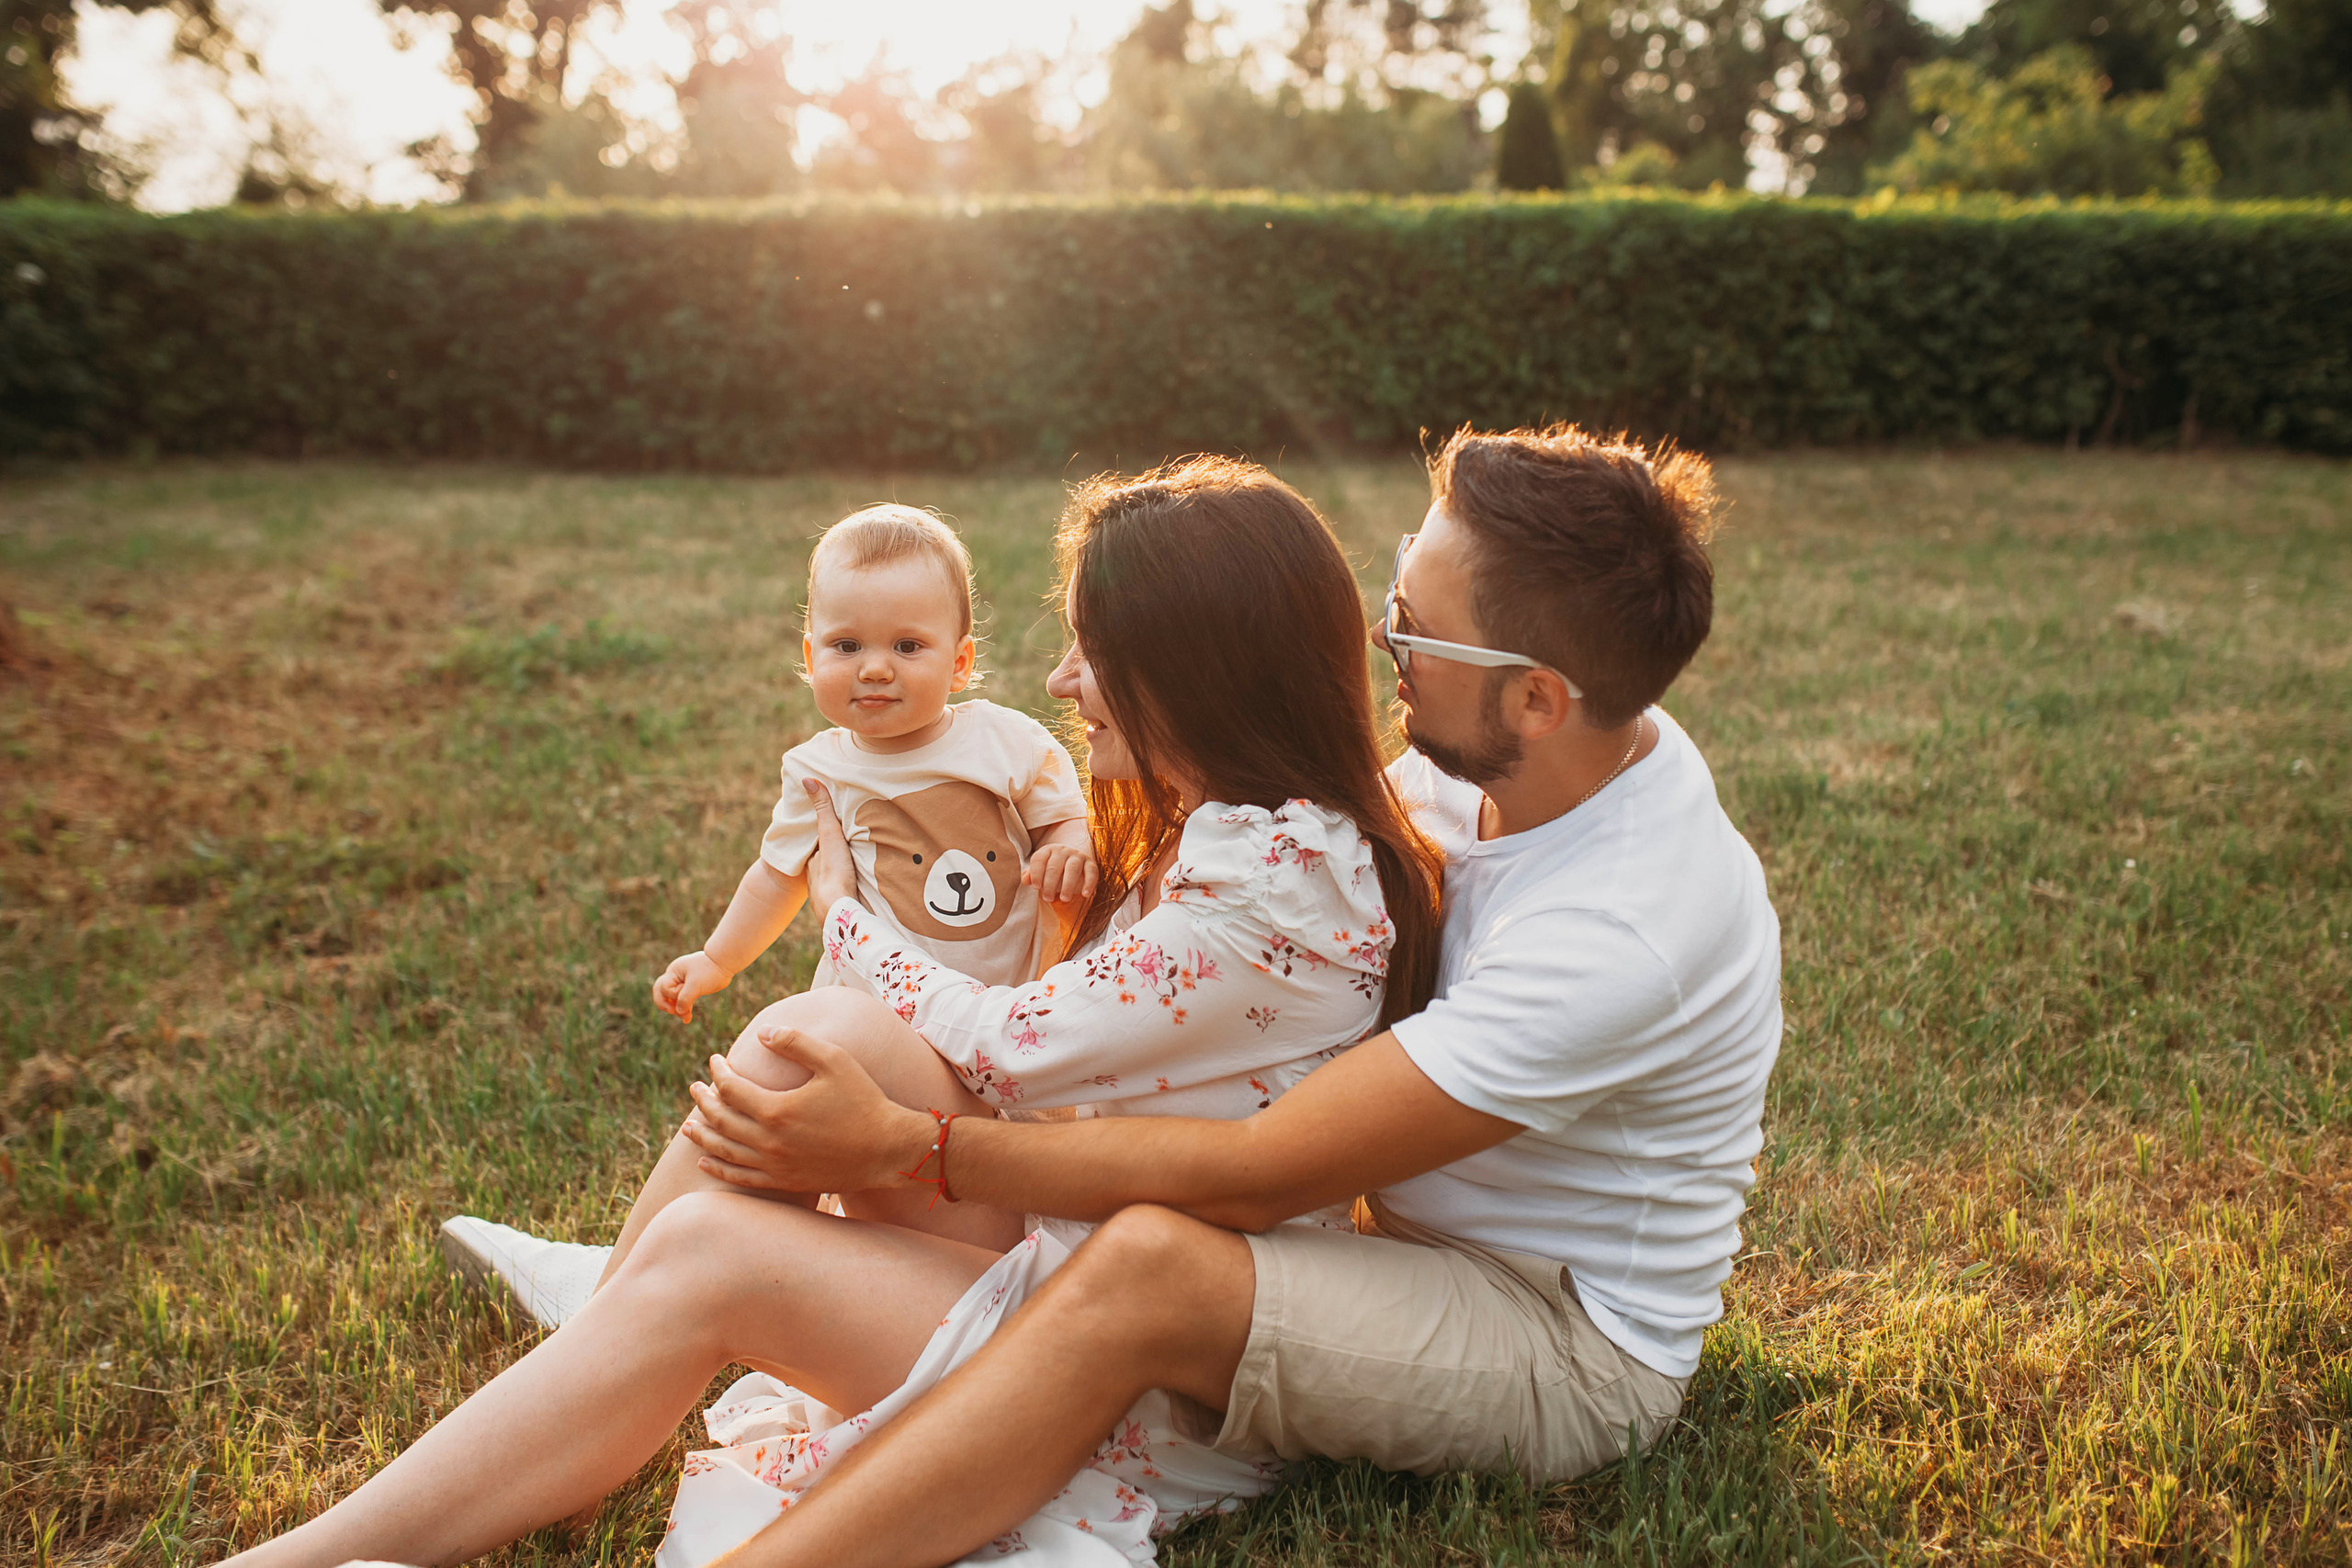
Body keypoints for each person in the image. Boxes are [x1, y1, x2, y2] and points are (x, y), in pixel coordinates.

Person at [219, 457, 1446, 1568]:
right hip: (1074, 1233)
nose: (1068, 681)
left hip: (1128, 1370)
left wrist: (847, 912)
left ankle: (315, 1549)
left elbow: (1012, 1044)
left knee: (713, 1244)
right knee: (815, 1039)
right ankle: (599, 1345)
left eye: (1092, 651)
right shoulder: (1239, 822)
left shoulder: (1274, 883)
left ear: (1199, 663)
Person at [643, 421, 1783, 1566]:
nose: (1382, 641)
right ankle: (637, 1287)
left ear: (1537, 700)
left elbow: (1256, 1173)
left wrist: (908, 1148)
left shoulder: (1622, 926)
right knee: (1041, 1187)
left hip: (1561, 1334)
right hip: (1394, 1247)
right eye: (1395, 589)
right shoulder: (1508, 758)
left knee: (1149, 1264)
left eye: (1419, 631)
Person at [441, 502, 1098, 1320]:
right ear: (809, 654)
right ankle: (653, 1279)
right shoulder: (821, 769)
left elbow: (1065, 816)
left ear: (961, 660)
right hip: (887, 1023)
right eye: (846, 645)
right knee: (827, 1115)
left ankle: (633, 1289)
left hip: (993, 1035)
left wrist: (1068, 841)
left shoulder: (1006, 742)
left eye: (908, 646)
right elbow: (775, 875)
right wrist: (718, 959)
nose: (875, 668)